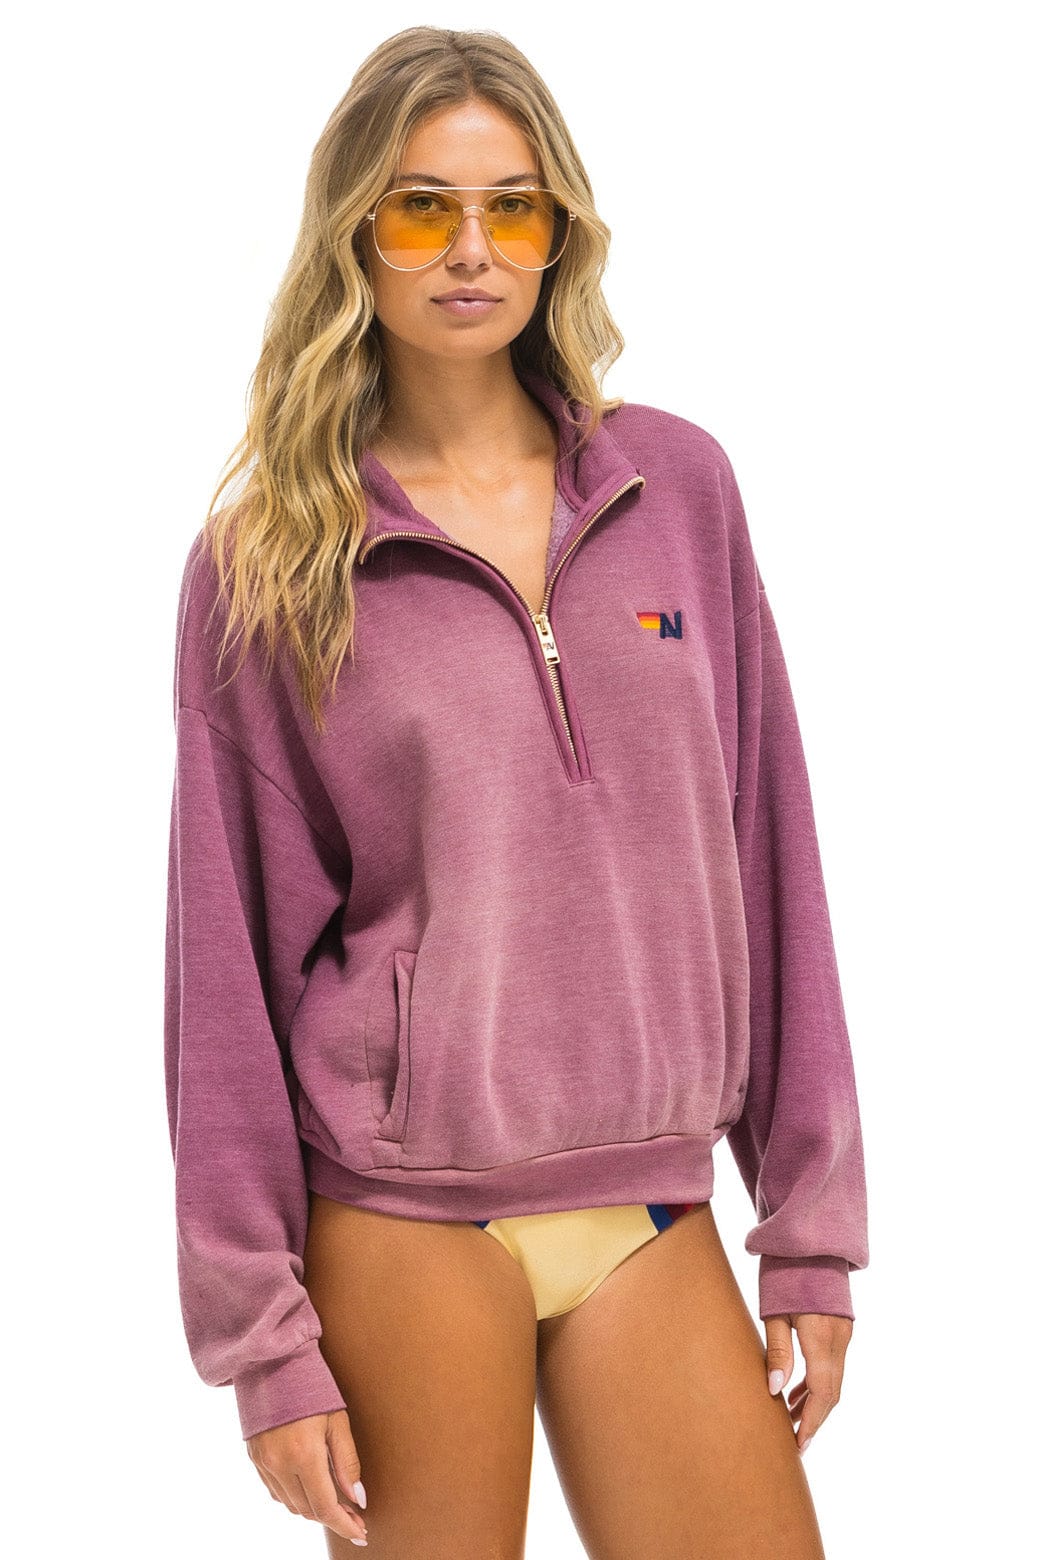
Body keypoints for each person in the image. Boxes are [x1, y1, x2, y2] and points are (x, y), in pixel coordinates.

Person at [164, 25, 869, 1559]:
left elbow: (772, 851)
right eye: (423, 208)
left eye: (512, 208)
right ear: (356, 232)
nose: (472, 250)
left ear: (562, 233)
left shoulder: (676, 487)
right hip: (406, 1216)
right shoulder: (272, 560)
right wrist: (261, 1340)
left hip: (654, 1202)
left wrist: (810, 1232)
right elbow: (224, 967)